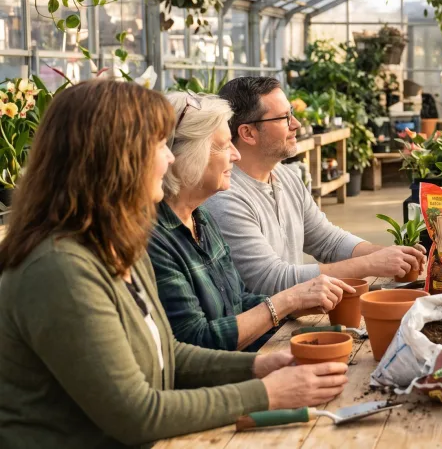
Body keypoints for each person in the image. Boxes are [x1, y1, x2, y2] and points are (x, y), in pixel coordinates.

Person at [0, 81, 348, 447]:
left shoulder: (113, 244)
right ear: (117, 158)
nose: (170, 159)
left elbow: (167, 352)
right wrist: (267, 393)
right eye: (159, 146)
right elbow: (136, 415)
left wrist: (259, 365)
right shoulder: (60, 270)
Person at [149, 93, 355, 352]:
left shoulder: (200, 218)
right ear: (187, 155)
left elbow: (237, 301)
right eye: (224, 145)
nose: (235, 155)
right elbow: (196, 340)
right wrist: (285, 302)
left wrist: (295, 304)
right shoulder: (155, 240)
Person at [204, 76, 425, 295]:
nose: (296, 124)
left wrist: (387, 254)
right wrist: (370, 264)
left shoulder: (286, 177)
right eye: (284, 118)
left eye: (292, 113)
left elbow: (326, 240)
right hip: (264, 317)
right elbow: (272, 280)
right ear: (248, 133)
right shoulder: (225, 197)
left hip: (295, 309)